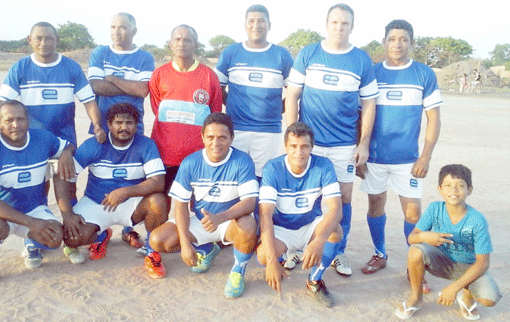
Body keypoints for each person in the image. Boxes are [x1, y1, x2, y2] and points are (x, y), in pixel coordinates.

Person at [284, 3, 378, 276]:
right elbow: (292, 95)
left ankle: (338, 251)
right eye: (334, 22)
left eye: (345, 23)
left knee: (344, 198)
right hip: (309, 144)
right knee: (308, 195)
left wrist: (363, 143)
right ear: (326, 25)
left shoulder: (360, 60)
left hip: (343, 144)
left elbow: (370, 104)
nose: (339, 28)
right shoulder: (309, 53)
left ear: (352, 27)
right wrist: (292, 135)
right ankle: (299, 247)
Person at [0, 21, 106, 207]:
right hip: (32, 141)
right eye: (38, 38)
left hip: (65, 141)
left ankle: (73, 231)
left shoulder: (71, 68)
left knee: (68, 192)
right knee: (38, 192)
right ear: (30, 40)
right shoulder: (20, 68)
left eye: (49, 38)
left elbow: (89, 101)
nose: (43, 43)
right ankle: (39, 226)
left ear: (57, 40)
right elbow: (2, 102)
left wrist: (97, 125)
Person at [356, 20, 442, 279]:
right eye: (392, 39)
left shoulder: (423, 74)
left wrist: (425, 156)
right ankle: (380, 253)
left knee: (413, 212)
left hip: (408, 160)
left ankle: (414, 263)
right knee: (375, 206)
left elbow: (434, 118)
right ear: (384, 42)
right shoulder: (372, 72)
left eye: (403, 39)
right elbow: (360, 115)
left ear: (411, 43)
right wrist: (360, 152)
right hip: (375, 157)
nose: (397, 44)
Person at [148, 113, 259, 299]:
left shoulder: (242, 161)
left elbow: (249, 203)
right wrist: (184, 243)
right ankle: (206, 248)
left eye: (222, 137)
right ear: (202, 138)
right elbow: (181, 205)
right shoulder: (190, 163)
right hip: (202, 222)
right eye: (210, 137)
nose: (216, 143)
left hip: (229, 221)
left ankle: (238, 271)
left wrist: (220, 218)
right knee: (158, 240)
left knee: (248, 225)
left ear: (232, 138)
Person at [0, 100, 73, 284]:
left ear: (28, 121)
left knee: (55, 237)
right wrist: (31, 223)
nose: (16, 125)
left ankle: (30, 243)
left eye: (20, 119)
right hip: (1, 213)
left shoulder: (42, 138)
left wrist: (66, 153)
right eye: (9, 120)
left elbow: (67, 145)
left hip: (33, 208)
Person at [55, 103, 167, 265]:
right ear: (109, 125)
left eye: (129, 123)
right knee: (71, 238)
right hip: (96, 203)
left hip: (131, 204)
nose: (124, 127)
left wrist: (124, 192)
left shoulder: (146, 145)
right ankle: (101, 234)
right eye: (118, 123)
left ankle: (152, 251)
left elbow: (158, 183)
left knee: (158, 201)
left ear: (136, 126)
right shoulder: (94, 145)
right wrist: (67, 214)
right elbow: (61, 178)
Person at [395, 164, 501, 320]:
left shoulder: (477, 220)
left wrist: (454, 288)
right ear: (440, 189)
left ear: (469, 190)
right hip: (441, 261)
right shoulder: (434, 209)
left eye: (460, 186)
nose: (453, 191)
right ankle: (416, 297)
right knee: (415, 251)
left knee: (489, 298)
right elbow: (412, 238)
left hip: (468, 266)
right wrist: (425, 236)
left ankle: (466, 296)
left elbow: (483, 263)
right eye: (448, 185)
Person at [87, 13, 156, 249]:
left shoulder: (144, 57)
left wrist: (113, 78)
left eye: (123, 28)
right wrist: (127, 85)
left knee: (135, 174)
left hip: (132, 126)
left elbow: (142, 91)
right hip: (104, 126)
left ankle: (129, 227)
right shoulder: (100, 53)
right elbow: (95, 86)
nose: (117, 32)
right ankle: (101, 224)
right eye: (113, 26)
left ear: (134, 31)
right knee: (100, 172)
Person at [256, 122, 343, 307]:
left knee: (335, 231)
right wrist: (272, 261)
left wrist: (319, 240)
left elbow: (336, 209)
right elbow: (265, 215)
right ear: (285, 146)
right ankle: (281, 260)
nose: (299, 152)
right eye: (293, 146)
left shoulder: (323, 165)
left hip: (309, 225)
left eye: (305, 146)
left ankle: (315, 280)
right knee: (263, 255)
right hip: (281, 229)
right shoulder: (273, 168)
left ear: (312, 147)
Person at [214, 4, 293, 179]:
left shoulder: (282, 55)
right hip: (236, 128)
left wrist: (276, 110)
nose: (255, 25)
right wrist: (232, 103)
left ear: (269, 25)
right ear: (245, 25)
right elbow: (216, 87)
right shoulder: (231, 52)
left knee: (263, 180)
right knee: (234, 179)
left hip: (269, 131)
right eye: (251, 21)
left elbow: (293, 93)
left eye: (261, 21)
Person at [149, 24, 222, 199]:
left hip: (197, 155)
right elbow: (156, 107)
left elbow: (215, 114)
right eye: (178, 39)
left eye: (188, 40)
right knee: (160, 200)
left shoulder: (209, 76)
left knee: (197, 205)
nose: (182, 43)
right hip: (164, 152)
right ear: (171, 44)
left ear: (196, 45)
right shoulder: (159, 74)